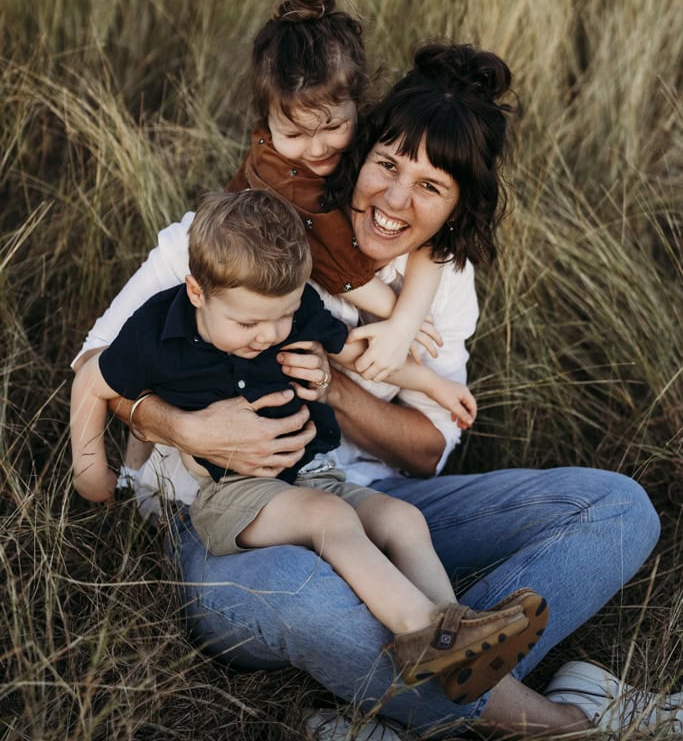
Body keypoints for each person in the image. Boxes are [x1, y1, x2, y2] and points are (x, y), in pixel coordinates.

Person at [71, 42, 674, 738]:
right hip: (227, 523)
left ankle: (392, 685)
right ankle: (557, 720)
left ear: (454, 208)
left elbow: (424, 451)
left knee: (618, 509)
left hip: (365, 498)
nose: (392, 201)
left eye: (428, 186)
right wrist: (183, 429)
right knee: (310, 598)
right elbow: (96, 361)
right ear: (358, 154)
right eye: (386, 166)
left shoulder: (439, 284)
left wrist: (338, 388)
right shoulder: (231, 241)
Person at [70, 188, 541, 701]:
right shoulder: (160, 329)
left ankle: (458, 634)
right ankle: (421, 632)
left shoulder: (290, 310)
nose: (269, 335)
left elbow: (355, 350)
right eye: (248, 323)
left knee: (405, 520)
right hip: (232, 497)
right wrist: (89, 468)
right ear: (198, 291)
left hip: (315, 477)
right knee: (330, 520)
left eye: (283, 316)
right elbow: (93, 378)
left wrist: (431, 384)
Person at [229, 0, 468, 390]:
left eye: (332, 128)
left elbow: (432, 232)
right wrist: (400, 318)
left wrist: (408, 320)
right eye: (295, 135)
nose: (317, 148)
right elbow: (334, 260)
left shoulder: (381, 146)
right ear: (264, 124)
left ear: (359, 105)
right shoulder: (278, 178)